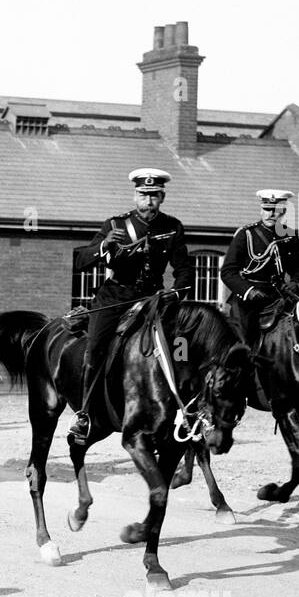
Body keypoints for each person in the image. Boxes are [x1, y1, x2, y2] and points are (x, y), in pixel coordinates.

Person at [70, 169, 194, 443]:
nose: (148, 201)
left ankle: (185, 409)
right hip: (114, 299)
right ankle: (85, 413)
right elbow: (80, 261)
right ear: (135, 196)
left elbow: (184, 269)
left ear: (162, 197)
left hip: (152, 300)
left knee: (182, 343)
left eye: (154, 195)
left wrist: (175, 293)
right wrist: (104, 245)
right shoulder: (115, 224)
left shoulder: (173, 227)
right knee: (95, 348)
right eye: (143, 195)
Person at [221, 189, 299, 350]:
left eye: (276, 210)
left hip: (278, 296)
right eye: (267, 209)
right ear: (261, 210)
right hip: (248, 300)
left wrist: (295, 282)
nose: (271, 214)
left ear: (283, 212)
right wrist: (249, 291)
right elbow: (228, 272)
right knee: (244, 344)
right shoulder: (246, 234)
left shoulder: (289, 236)